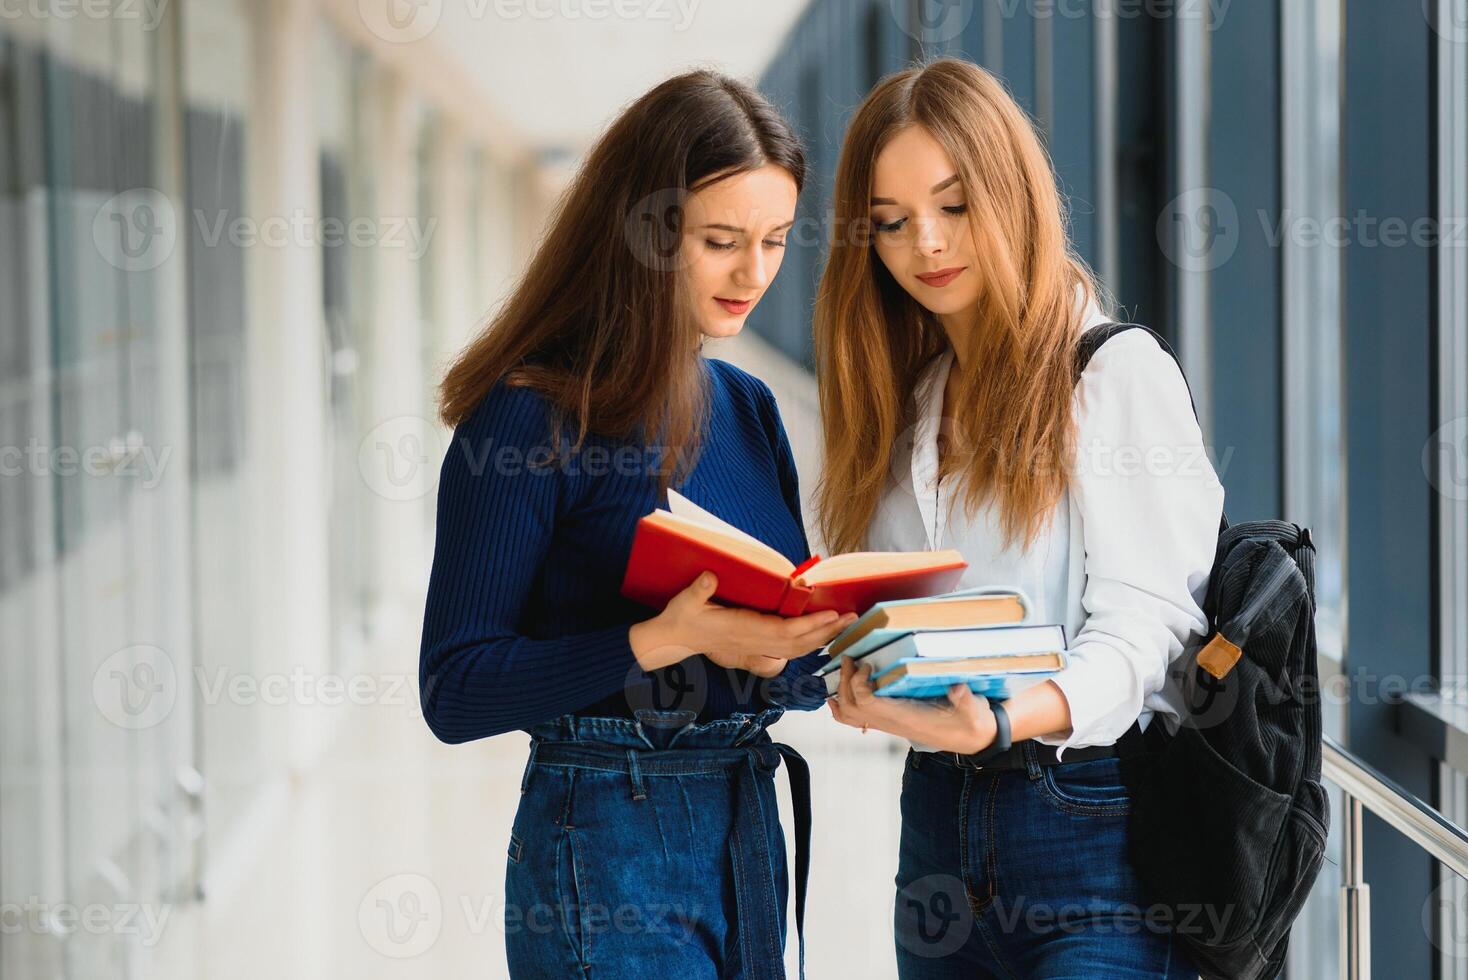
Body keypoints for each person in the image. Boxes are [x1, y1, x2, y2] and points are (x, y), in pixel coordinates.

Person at [419, 69, 852, 978]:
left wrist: (796, 651)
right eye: (722, 241)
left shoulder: (747, 407)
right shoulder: (529, 417)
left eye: (775, 240)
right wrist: (661, 639)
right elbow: (454, 690)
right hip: (605, 840)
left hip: (745, 824)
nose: (754, 274)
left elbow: (791, 657)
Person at [816, 58, 1222, 977]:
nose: (926, 242)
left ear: (1013, 193)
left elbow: (1148, 628)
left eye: (954, 205)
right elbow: (903, 613)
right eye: (890, 222)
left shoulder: (1112, 375)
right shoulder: (907, 404)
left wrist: (1004, 722)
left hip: (1089, 827)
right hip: (935, 833)